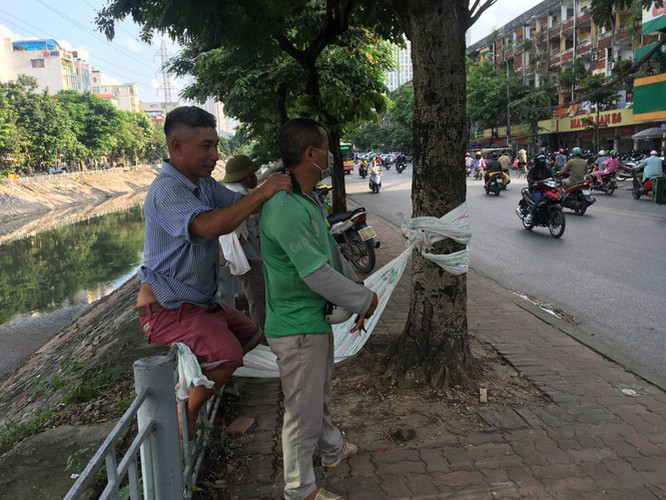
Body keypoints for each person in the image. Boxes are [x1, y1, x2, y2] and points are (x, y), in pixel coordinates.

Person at [136, 106, 292, 439]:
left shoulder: (203, 185)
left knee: (251, 335)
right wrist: (264, 190)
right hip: (166, 310)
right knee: (227, 355)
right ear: (177, 146)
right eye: (206, 146)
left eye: (215, 145)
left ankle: (196, 381)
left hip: (198, 304)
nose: (215, 155)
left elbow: (241, 204)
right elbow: (209, 227)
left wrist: (277, 194)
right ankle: (186, 415)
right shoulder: (167, 190)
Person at [260, 118, 379, 500]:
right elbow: (315, 273)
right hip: (296, 329)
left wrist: (354, 293)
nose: (331, 156)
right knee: (301, 413)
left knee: (317, 397)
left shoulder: (305, 198)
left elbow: (328, 257)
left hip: (312, 321)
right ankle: (300, 490)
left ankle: (331, 449)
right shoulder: (284, 208)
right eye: (327, 149)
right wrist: (364, 299)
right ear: (310, 154)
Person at [219, 155, 266, 331]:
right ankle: (261, 335)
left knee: (254, 293)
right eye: (253, 174)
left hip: (247, 254)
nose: (255, 177)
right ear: (246, 177)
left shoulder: (235, 192)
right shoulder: (237, 196)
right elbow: (236, 228)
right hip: (246, 257)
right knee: (257, 298)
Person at [524, 153, 551, 225]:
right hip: (535, 189)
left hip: (547, 189)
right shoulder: (533, 170)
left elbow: (553, 177)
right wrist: (535, 182)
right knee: (539, 199)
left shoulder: (547, 169)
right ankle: (530, 215)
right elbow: (529, 179)